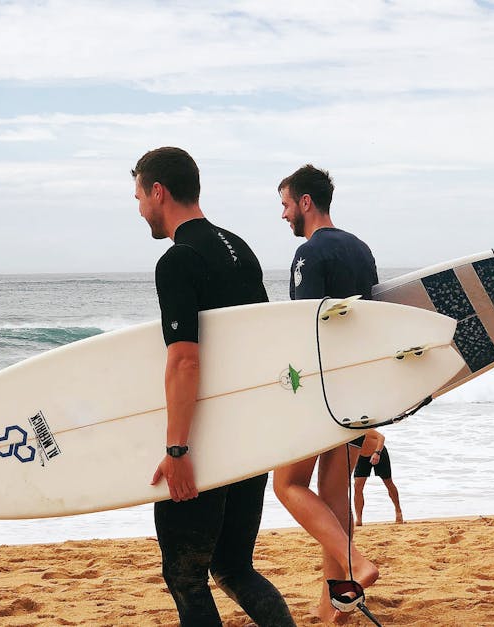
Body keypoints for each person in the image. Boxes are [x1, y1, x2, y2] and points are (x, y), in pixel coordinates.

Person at [134, 147, 295, 627]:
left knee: (186, 578)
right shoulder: (238, 248)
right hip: (249, 440)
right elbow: (265, 340)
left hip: (205, 445)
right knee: (233, 565)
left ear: (158, 191)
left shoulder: (178, 260)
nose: (140, 208)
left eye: (139, 196)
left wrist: (178, 449)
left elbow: (184, 359)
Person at [270, 164, 380, 623]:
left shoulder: (309, 254)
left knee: (287, 484)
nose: (283, 216)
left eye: (285, 205)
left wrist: (287, 390)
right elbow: (372, 322)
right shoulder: (361, 249)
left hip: (322, 391)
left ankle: (356, 566)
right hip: (358, 387)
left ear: (305, 203)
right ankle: (335, 606)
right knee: (334, 504)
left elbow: (305, 329)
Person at [348, 429, 404, 526]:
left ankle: (398, 511)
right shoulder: (344, 435)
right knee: (357, 487)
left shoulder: (363, 429)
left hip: (379, 453)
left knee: (388, 482)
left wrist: (377, 453)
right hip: (361, 457)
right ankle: (359, 519)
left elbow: (381, 437)